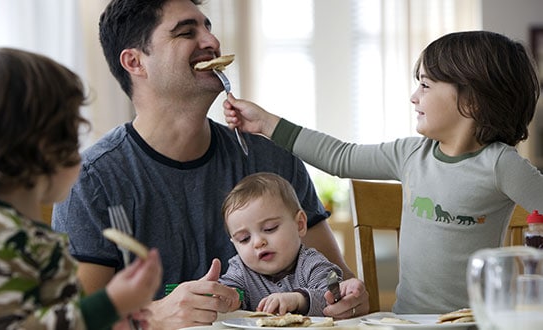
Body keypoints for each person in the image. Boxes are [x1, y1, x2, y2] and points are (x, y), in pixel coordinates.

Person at [51, 0, 368, 328]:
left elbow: (341, 294)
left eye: (208, 28)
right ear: (135, 62)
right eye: (187, 32)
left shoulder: (273, 160)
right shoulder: (91, 180)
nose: (212, 42)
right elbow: (75, 322)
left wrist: (349, 300)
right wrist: (154, 317)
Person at [224, 30, 543, 314]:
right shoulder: (410, 154)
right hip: (406, 320)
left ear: (472, 101)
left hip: (473, 322)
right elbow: (341, 157)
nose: (414, 96)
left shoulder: (501, 164)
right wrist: (265, 123)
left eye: (425, 85)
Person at [0, 48, 163, 330]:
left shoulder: (12, 230)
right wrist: (109, 303)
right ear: (44, 147)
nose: (79, 152)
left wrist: (113, 315)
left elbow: (54, 310)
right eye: (72, 134)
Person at [219, 172, 342, 316]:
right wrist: (227, 297)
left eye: (269, 228)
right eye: (244, 239)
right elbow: (230, 289)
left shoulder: (312, 263)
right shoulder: (240, 271)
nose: (258, 242)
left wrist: (299, 300)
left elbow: (335, 295)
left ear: (300, 224)